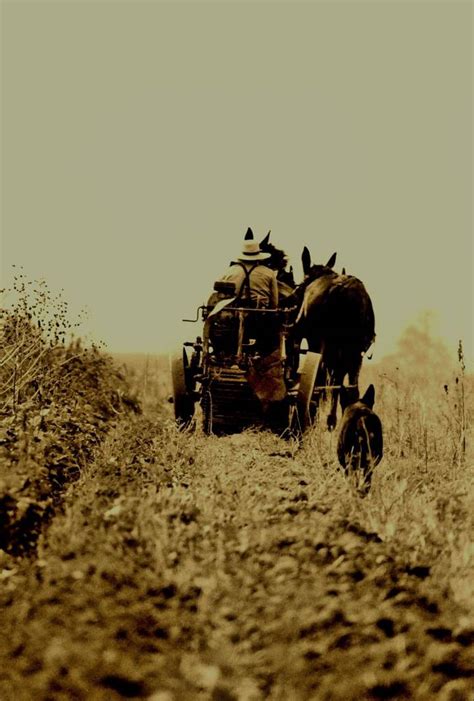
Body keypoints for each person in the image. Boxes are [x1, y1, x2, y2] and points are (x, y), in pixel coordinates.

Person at [217, 227, 278, 309]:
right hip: (261, 315)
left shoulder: (228, 272)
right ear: (259, 255)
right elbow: (274, 303)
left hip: (232, 315)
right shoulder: (269, 273)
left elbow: (219, 297)